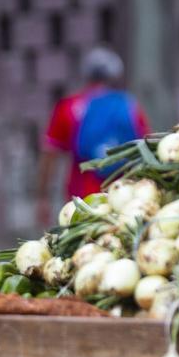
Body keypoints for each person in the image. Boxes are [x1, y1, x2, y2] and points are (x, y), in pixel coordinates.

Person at [36, 48, 150, 226]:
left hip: (83, 201)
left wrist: (43, 198)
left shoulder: (69, 107)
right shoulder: (129, 107)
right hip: (124, 199)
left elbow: (50, 155)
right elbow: (147, 151)